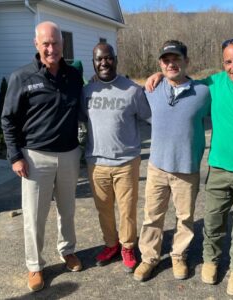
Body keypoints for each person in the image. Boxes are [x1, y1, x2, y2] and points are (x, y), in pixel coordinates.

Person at [146, 37, 233, 296]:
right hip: (219, 169)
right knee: (213, 222)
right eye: (228, 62)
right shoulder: (213, 84)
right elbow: (180, 80)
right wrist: (159, 72)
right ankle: (211, 261)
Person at [1, 21, 83, 292]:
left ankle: (67, 250)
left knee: (67, 211)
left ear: (62, 44)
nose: (51, 48)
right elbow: (8, 119)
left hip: (70, 154)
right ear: (36, 44)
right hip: (35, 158)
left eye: (56, 43)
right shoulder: (22, 77)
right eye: (46, 43)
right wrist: (15, 156)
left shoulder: (73, 76)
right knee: (35, 216)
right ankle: (35, 265)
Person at [133, 40, 211, 282]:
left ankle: (178, 255)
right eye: (166, 61)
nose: (171, 64)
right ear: (160, 64)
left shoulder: (204, 92)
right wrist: (153, 76)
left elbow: (224, 96)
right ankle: (149, 258)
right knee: (152, 216)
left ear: (186, 62)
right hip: (157, 166)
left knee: (185, 218)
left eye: (176, 59)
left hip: (187, 168)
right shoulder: (152, 90)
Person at [80, 42, 151, 273]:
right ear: (93, 63)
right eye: (99, 59)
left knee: (127, 209)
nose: (104, 63)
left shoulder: (133, 90)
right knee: (104, 210)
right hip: (96, 163)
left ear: (116, 59)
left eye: (108, 58)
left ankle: (128, 246)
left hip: (126, 163)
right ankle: (111, 244)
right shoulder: (87, 91)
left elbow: (153, 118)